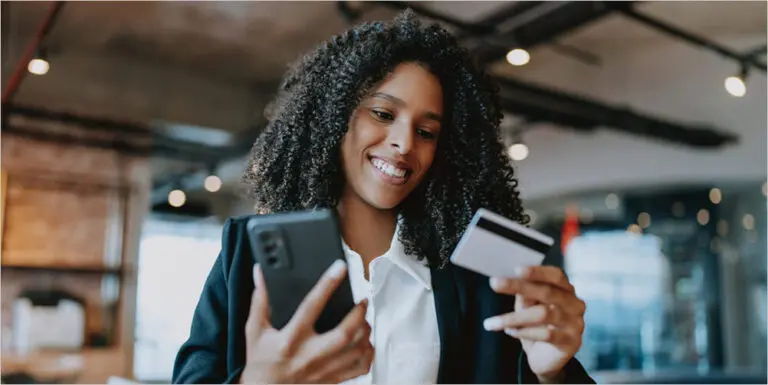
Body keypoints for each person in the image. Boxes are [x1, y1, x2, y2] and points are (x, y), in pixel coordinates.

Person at [173, 11, 593, 384]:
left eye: (427, 132)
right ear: (334, 119)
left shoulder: (476, 280)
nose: (404, 143)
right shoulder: (248, 254)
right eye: (383, 114)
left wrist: (554, 374)